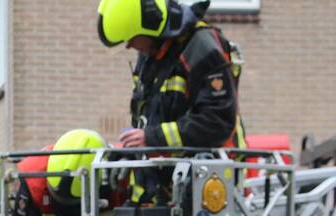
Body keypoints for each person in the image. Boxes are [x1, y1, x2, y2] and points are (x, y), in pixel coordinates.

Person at [97, 0, 246, 204]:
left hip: (206, 193)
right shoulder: (151, 54)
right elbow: (149, 119)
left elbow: (217, 121)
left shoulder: (201, 46)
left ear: (151, 25)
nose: (129, 45)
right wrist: (130, 152)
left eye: (131, 37)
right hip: (161, 194)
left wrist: (152, 137)